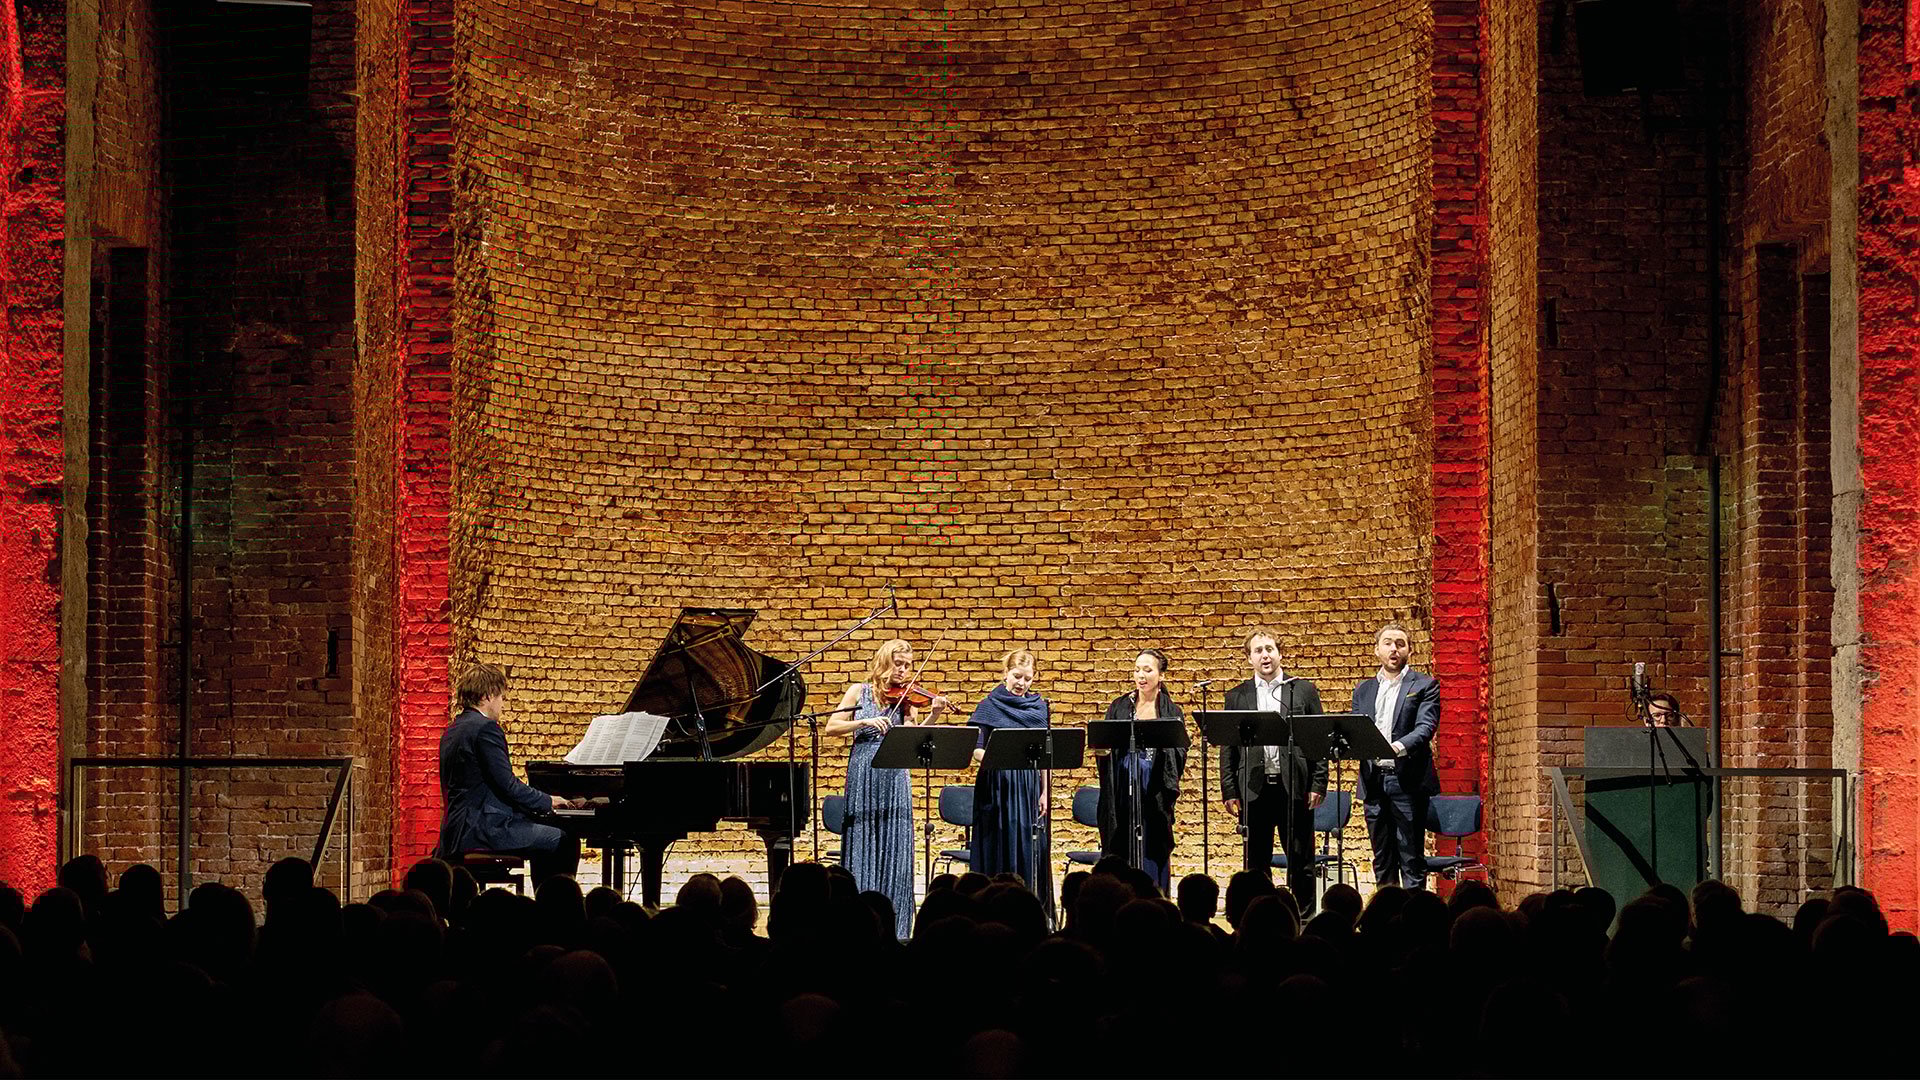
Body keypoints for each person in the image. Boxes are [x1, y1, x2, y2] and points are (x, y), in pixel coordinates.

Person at [824, 638, 950, 939]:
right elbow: (831, 726)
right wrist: (864, 722)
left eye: (908, 666)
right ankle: (858, 926)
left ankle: (896, 928)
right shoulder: (859, 691)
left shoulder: (906, 701)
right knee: (864, 839)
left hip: (895, 777)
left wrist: (934, 713)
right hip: (864, 770)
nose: (904, 671)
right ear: (884, 662)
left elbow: (915, 739)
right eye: (899, 664)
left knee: (895, 842)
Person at [436, 662, 581, 886]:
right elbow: (507, 784)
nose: (502, 704)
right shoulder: (486, 728)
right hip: (482, 828)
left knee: (550, 833)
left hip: (455, 830)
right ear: (488, 695)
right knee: (564, 839)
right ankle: (553, 909)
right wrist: (548, 801)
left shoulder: (454, 729)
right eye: (501, 697)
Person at [1220, 630, 1327, 917]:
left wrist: (1318, 782)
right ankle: (1258, 917)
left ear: (1280, 653)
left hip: (1293, 786)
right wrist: (1230, 790)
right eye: (1258, 651)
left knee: (1300, 857)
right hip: (1254, 788)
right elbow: (1228, 748)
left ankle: (1303, 918)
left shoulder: (1302, 690)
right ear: (1249, 658)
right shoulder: (1238, 695)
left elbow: (1318, 739)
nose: (1265, 655)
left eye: (1269, 649)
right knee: (1255, 860)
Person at [1350, 622, 1440, 890]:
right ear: (1377, 650)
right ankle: (1385, 919)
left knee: (1411, 857)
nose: (1394, 648)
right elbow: (1356, 727)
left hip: (1407, 780)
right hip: (1373, 780)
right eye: (1388, 643)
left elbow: (1426, 727)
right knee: (1382, 858)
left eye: (1400, 644)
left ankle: (1413, 921)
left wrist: (1397, 747)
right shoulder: (1363, 690)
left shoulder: (1424, 684)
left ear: (1409, 651)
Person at [1096, 648, 1187, 893]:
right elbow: (1105, 746)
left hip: (1153, 788)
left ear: (1161, 675)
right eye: (1137, 669)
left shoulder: (1171, 711)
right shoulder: (1119, 706)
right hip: (1122, 784)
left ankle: (1154, 899)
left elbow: (1178, 752)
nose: (1141, 675)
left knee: (1152, 842)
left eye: (1147, 670)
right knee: (1121, 841)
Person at [967, 649, 1052, 894]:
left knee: (1027, 843)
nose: (1021, 683)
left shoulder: (1039, 708)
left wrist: (1045, 791)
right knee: (997, 841)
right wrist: (1000, 759)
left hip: (1027, 784)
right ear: (1005, 673)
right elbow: (976, 749)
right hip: (996, 781)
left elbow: (1044, 756)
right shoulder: (988, 706)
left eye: (1027, 678)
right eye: (1017, 676)